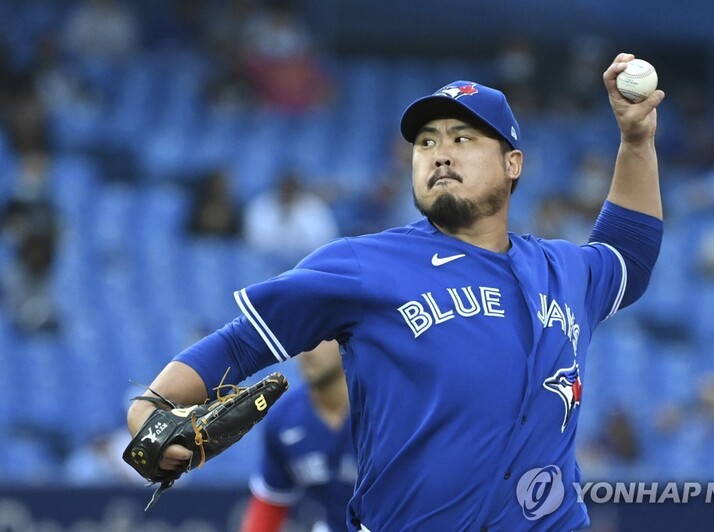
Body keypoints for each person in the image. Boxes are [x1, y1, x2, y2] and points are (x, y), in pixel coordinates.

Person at [128, 53, 665, 531]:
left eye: (463, 137)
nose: (440, 153)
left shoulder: (563, 269)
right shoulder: (364, 264)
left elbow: (629, 257)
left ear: (513, 163)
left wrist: (636, 140)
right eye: (426, 142)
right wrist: (149, 408)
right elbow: (243, 343)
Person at [240, 340, 356, 532]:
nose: (307, 351)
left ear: (346, 340)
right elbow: (270, 505)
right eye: (307, 337)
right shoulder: (284, 419)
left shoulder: (384, 410)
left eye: (322, 339)